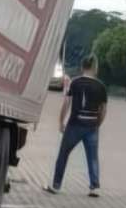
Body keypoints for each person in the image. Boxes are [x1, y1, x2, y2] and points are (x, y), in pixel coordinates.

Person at [46, 53, 107, 197]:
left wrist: (61, 122)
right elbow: (104, 110)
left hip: (74, 124)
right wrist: (98, 124)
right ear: (94, 67)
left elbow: (66, 103)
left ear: (82, 67)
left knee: (63, 154)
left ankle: (56, 185)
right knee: (92, 156)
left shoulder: (75, 82)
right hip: (92, 125)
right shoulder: (101, 86)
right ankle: (94, 187)